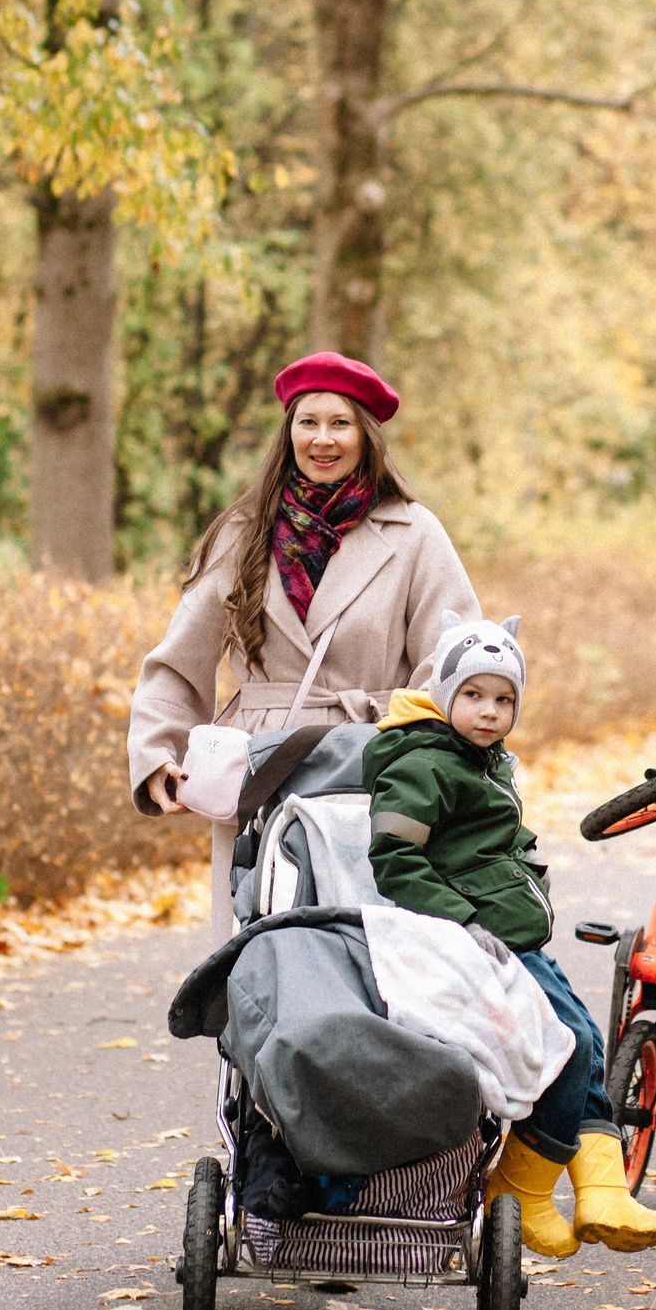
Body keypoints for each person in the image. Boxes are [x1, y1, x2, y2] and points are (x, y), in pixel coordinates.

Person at [128, 352, 479, 940]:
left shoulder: (416, 532)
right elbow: (180, 656)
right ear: (287, 432)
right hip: (266, 763)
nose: (322, 439)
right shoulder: (243, 533)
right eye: (307, 422)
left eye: (340, 423)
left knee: (375, 941)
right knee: (267, 936)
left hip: (377, 759)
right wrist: (159, 749)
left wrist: (423, 758)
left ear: (365, 436)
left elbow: (452, 658)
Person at [363, 614, 656, 1256]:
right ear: (445, 695)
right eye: (473, 696)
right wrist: (467, 920)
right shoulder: (425, 765)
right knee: (568, 1046)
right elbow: (395, 860)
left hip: (512, 937)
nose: (489, 711)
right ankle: (524, 1189)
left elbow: (485, 843)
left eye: (504, 700)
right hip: (475, 943)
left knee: (584, 1038)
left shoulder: (481, 763)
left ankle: (594, 1190)